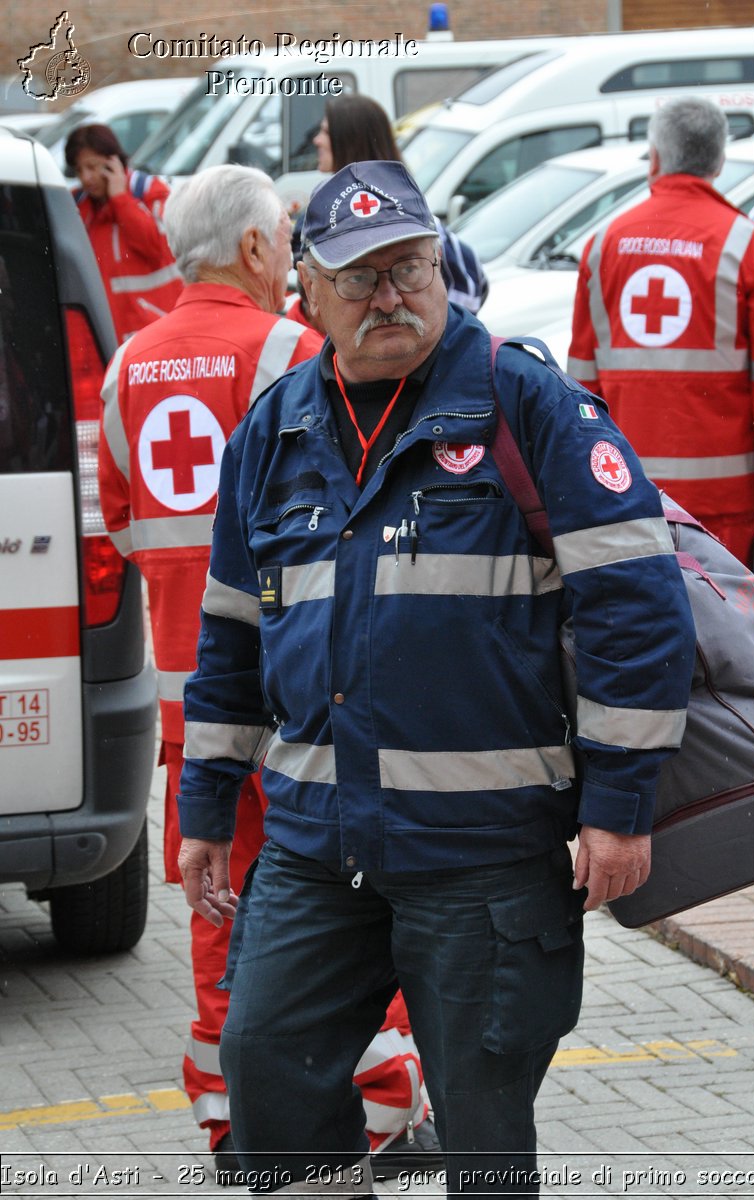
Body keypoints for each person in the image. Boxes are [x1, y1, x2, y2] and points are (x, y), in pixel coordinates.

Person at [177, 159, 696, 1195]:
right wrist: (202, 806)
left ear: (441, 268)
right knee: (263, 1063)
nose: (391, 297)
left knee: (483, 1120)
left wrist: (619, 809)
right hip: (316, 849)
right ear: (308, 295)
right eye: (360, 278)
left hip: (485, 858)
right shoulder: (272, 433)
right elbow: (232, 635)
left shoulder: (524, 404)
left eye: (409, 269)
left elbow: (638, 608)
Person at [97, 165, 323, 1175]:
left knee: (217, 904)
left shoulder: (123, 369)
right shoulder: (290, 350)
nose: (290, 255)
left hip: (191, 703)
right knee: (340, 898)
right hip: (298, 698)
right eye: (283, 235)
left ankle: (232, 1121)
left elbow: (119, 525)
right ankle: (368, 1099)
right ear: (251, 248)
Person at [567, 96, 754, 567]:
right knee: (729, 636)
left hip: (624, 494)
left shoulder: (603, 245)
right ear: (720, 161)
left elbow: (579, 387)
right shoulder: (750, 246)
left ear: (656, 158)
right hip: (725, 505)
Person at [289, 93, 488, 316]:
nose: (316, 140)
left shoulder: (408, 218)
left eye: (325, 131)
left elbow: (470, 283)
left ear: (348, 138)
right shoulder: (406, 207)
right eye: (357, 278)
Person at [65, 124, 182, 342]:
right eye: (79, 170)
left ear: (114, 162)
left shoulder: (151, 193)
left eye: (92, 166)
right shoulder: (78, 207)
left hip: (156, 333)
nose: (86, 178)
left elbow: (155, 247)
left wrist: (120, 199)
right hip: (109, 337)